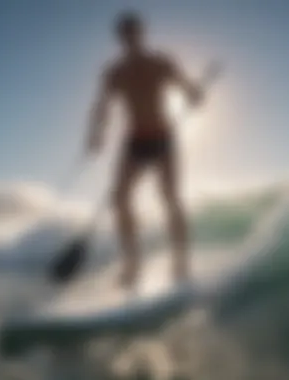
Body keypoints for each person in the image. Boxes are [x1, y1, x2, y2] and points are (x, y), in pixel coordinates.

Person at [87, 11, 204, 289]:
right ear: (120, 38)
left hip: (163, 137)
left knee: (170, 196)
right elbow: (102, 105)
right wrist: (96, 133)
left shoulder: (160, 62)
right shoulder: (114, 72)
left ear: (142, 33)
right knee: (119, 199)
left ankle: (181, 260)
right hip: (135, 141)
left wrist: (194, 94)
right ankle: (133, 264)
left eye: (134, 32)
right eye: (124, 34)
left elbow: (187, 87)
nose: (130, 38)